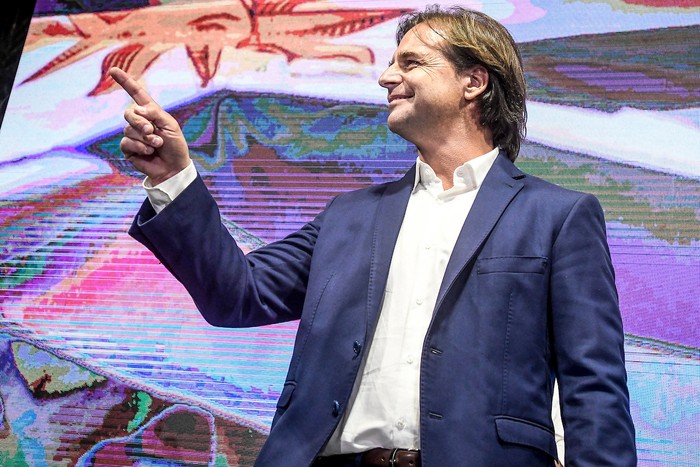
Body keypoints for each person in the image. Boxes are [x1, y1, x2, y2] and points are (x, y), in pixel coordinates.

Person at [111, 5, 636, 466]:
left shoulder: (559, 215)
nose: (386, 77)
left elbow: (595, 388)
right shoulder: (349, 216)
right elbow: (237, 295)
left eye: (410, 63)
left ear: (473, 82)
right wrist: (173, 178)